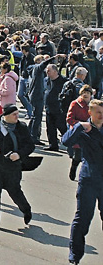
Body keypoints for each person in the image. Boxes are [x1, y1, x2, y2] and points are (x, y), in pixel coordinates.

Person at [62, 99, 103, 264]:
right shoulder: (84, 129)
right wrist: (79, 127)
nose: (101, 115)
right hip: (89, 179)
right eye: (98, 112)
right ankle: (75, 256)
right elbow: (66, 141)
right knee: (83, 218)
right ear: (90, 113)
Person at [0, 104, 35, 229]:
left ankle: (26, 210)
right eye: (14, 114)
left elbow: (30, 145)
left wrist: (19, 154)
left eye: (17, 113)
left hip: (13, 166)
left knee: (14, 191)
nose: (17, 116)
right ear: (5, 115)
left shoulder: (21, 127)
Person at [66, 85, 92, 181]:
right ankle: (73, 169)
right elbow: (69, 119)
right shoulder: (75, 104)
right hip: (79, 132)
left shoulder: (93, 105)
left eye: (88, 93)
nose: (85, 95)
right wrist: (80, 125)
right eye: (83, 93)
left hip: (90, 132)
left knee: (90, 156)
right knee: (77, 155)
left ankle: (87, 175)